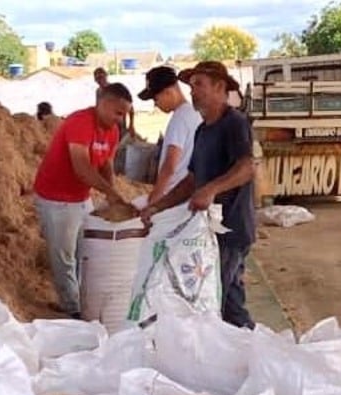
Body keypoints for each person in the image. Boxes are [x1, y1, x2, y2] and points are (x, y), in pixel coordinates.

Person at [142, 61, 256, 329]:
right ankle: (248, 350)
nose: (193, 92)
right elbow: (191, 180)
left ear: (219, 87)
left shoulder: (234, 123)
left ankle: (242, 351)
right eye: (191, 86)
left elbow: (246, 167)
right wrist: (157, 207)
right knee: (227, 301)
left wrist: (212, 189)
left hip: (230, 229)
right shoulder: (203, 130)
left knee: (216, 298)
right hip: (207, 232)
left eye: (199, 85)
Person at [32, 83, 132, 319]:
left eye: (125, 114)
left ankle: (82, 302)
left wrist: (111, 192)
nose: (121, 119)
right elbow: (81, 167)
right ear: (104, 104)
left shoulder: (112, 131)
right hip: (55, 198)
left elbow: (106, 163)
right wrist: (111, 194)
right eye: (118, 113)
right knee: (64, 256)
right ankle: (72, 308)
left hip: (80, 197)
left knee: (84, 254)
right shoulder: (80, 122)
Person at [137, 65, 201, 206]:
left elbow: (170, 163)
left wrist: (157, 195)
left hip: (172, 194)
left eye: (155, 99)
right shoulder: (194, 114)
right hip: (186, 193)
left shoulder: (179, 118)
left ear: (168, 92)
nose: (155, 105)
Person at [94, 67, 135, 137]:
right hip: (105, 125)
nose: (100, 80)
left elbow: (130, 108)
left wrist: (131, 125)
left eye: (101, 77)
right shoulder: (98, 92)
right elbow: (98, 108)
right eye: (97, 78)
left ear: (106, 76)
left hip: (119, 124)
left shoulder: (115, 89)